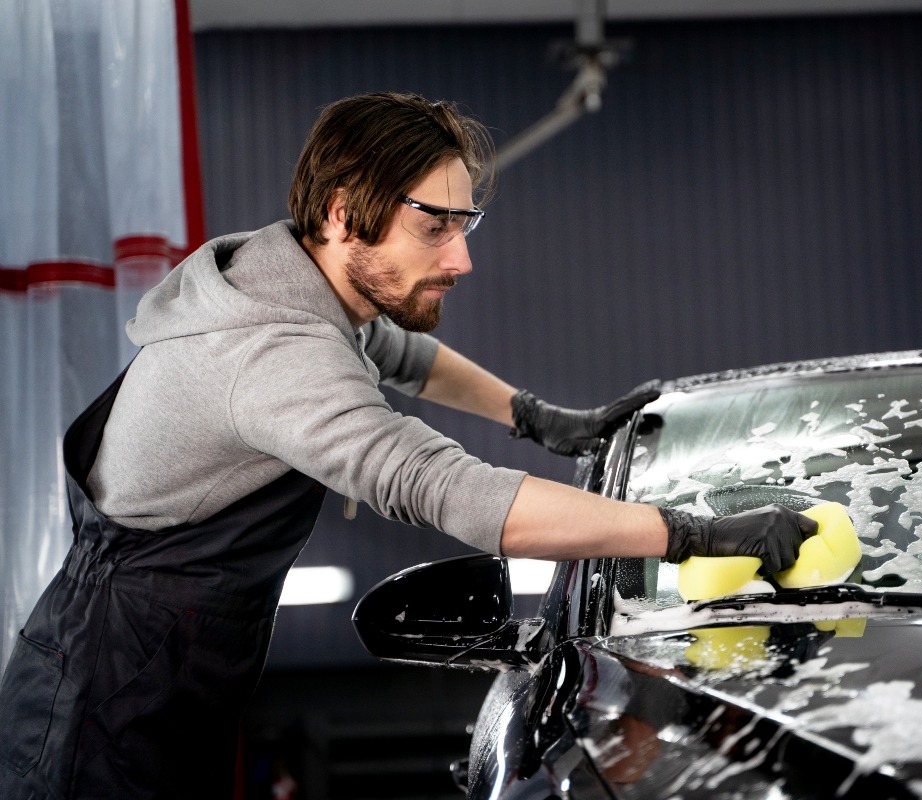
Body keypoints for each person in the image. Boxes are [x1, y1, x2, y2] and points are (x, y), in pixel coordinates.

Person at [0, 92, 815, 799]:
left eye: (466, 223)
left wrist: (538, 416)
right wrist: (689, 533)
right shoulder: (272, 353)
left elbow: (396, 352)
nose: (460, 257)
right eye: (433, 224)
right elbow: (439, 488)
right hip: (96, 707)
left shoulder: (295, 274)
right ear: (344, 210)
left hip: (161, 677)